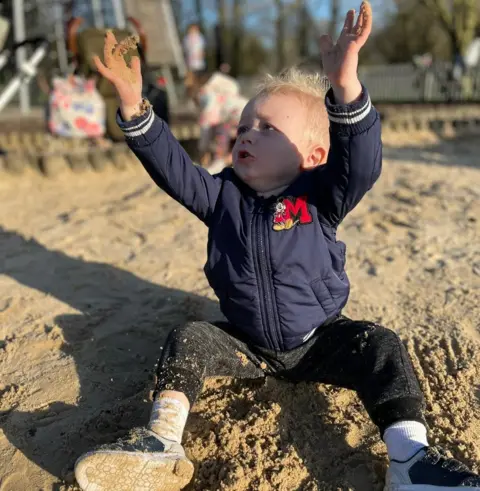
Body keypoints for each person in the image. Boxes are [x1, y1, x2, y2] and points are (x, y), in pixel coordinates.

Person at [75, 3, 480, 490]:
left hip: (319, 340)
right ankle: (161, 441)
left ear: (312, 155)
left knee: (382, 347)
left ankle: (410, 460)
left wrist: (345, 84)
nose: (247, 134)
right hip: (248, 343)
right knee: (189, 338)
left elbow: (363, 162)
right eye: (244, 127)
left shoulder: (321, 196)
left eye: (268, 128)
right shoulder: (221, 195)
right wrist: (135, 106)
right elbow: (175, 171)